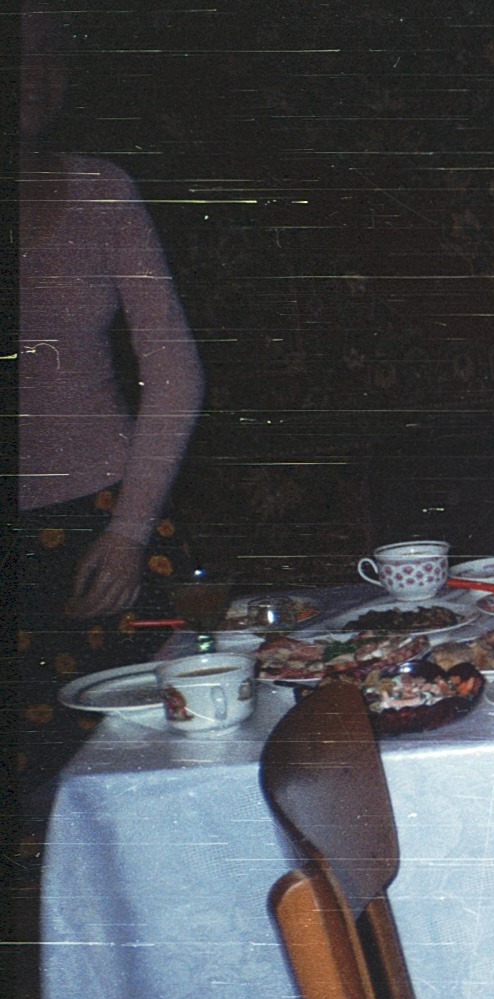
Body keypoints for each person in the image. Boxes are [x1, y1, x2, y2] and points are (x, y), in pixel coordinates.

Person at [14, 5, 205, 778]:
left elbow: (177, 370)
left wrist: (130, 531)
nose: (35, 76)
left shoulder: (100, 189)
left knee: (153, 769)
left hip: (104, 529)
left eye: (50, 52)